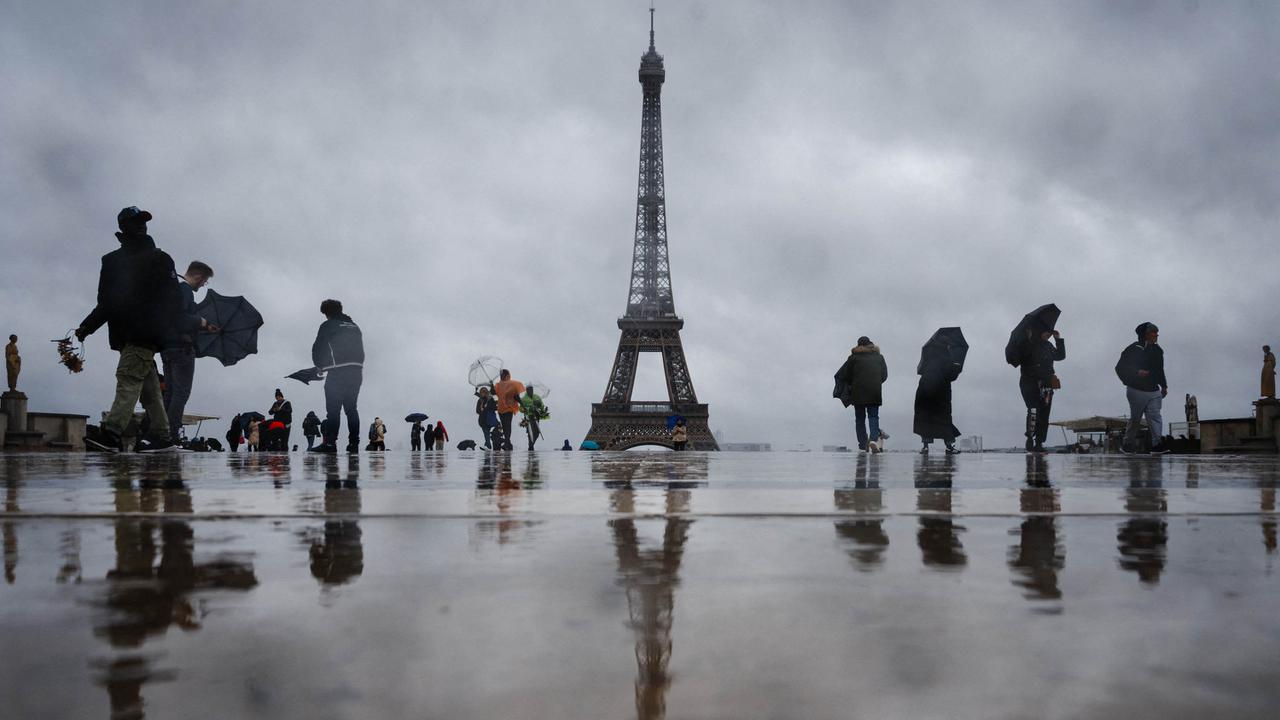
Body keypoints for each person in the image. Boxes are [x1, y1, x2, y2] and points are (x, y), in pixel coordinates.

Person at [77, 206, 186, 453]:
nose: (142, 225)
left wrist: (173, 332)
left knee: (127, 379)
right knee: (148, 389)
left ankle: (112, 434)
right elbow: (106, 303)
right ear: (123, 227)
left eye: (143, 221)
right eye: (135, 221)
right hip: (125, 337)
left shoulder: (160, 258)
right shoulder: (112, 261)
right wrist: (87, 326)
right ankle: (162, 436)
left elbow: (174, 300)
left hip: (145, 335)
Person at [160, 261, 216, 444]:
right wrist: (201, 322)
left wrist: (204, 327)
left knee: (170, 393)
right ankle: (172, 433)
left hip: (168, 347)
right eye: (205, 281)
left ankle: (162, 432)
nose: (203, 285)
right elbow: (181, 318)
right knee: (180, 393)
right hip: (181, 349)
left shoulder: (173, 288)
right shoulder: (185, 291)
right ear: (199, 277)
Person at [309, 299, 364, 454]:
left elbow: (319, 347)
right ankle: (354, 443)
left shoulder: (328, 325)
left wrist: (320, 365)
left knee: (333, 411)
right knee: (351, 409)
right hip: (357, 371)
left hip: (338, 371)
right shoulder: (354, 326)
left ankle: (330, 444)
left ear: (326, 313)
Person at [1116, 322, 1169, 454]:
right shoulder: (1133, 348)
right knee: (1136, 418)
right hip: (1136, 390)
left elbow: (1159, 369)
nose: (1157, 334)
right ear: (1145, 334)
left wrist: (1164, 385)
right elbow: (1120, 368)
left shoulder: (1158, 350)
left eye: (1157, 332)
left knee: (1155, 416)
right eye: (1153, 332)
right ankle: (1127, 444)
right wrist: (1136, 372)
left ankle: (1157, 445)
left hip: (1154, 390)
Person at [833, 336, 889, 453]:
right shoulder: (879, 357)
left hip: (858, 392)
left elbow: (847, 375)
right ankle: (873, 440)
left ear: (859, 346)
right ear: (870, 344)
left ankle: (863, 445)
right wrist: (876, 382)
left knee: (860, 419)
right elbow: (884, 375)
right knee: (873, 416)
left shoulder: (853, 358)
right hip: (874, 391)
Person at [1018, 327, 1065, 453]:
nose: (1048, 334)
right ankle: (1030, 437)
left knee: (1044, 414)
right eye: (1046, 331)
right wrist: (1027, 339)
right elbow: (1019, 357)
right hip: (1029, 382)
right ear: (1038, 331)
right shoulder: (1029, 344)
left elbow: (1060, 356)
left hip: (1046, 384)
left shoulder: (1048, 345)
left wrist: (1058, 340)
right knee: (1033, 410)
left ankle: (1039, 442)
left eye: (1049, 332)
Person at [914, 338, 962, 455]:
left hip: (924, 391)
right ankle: (949, 446)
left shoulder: (927, 358)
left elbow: (920, 370)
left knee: (926, 418)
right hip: (941, 392)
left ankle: (925, 447)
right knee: (944, 419)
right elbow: (952, 376)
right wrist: (957, 367)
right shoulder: (948, 358)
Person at [493, 370, 525, 451]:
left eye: (503, 374)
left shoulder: (512, 385)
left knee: (507, 425)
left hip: (508, 408)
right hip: (500, 409)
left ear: (507, 375)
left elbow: (516, 397)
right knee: (504, 426)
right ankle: (508, 443)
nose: (501, 376)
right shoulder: (498, 385)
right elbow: (493, 392)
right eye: (501, 375)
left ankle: (507, 443)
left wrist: (522, 404)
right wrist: (491, 384)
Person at [519, 385, 548, 451]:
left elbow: (542, 406)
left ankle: (531, 444)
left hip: (536, 416)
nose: (531, 391)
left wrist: (540, 407)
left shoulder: (537, 397)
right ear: (526, 390)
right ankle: (531, 446)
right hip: (528, 417)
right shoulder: (523, 399)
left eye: (532, 389)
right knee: (530, 431)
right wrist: (527, 409)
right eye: (529, 389)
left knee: (537, 432)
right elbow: (520, 409)